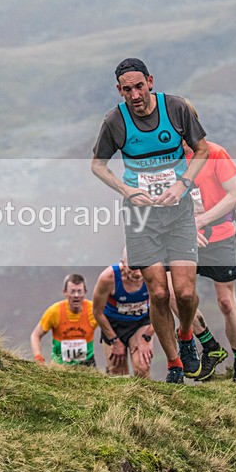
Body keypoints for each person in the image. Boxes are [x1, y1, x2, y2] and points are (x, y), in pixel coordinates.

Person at [91, 58, 210, 384]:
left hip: (178, 212)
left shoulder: (175, 109)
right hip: (141, 217)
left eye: (139, 86)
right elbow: (98, 165)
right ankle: (174, 365)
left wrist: (183, 183)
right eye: (127, 89)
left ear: (150, 82)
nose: (134, 94)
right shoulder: (115, 121)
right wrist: (126, 189)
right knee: (158, 294)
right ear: (120, 90)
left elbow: (202, 151)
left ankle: (185, 336)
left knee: (184, 294)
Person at [179, 132, 236, 382]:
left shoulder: (215, 152)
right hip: (184, 238)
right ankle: (210, 346)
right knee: (174, 296)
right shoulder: (171, 159)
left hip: (220, 235)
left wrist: (201, 221)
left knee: (226, 302)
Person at [92, 253, 155, 379]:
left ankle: (147, 398)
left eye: (141, 267)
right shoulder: (108, 277)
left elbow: (162, 312)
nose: (137, 273)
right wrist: (114, 341)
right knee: (118, 372)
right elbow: (97, 312)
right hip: (113, 324)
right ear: (123, 263)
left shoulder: (153, 275)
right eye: (133, 267)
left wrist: (146, 337)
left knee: (142, 367)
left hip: (140, 323)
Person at [30, 274, 98, 368]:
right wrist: (38, 357)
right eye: (72, 291)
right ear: (65, 292)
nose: (76, 295)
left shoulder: (94, 310)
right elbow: (35, 335)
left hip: (87, 364)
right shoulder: (54, 311)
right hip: (60, 366)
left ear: (85, 292)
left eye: (79, 291)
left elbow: (109, 328)